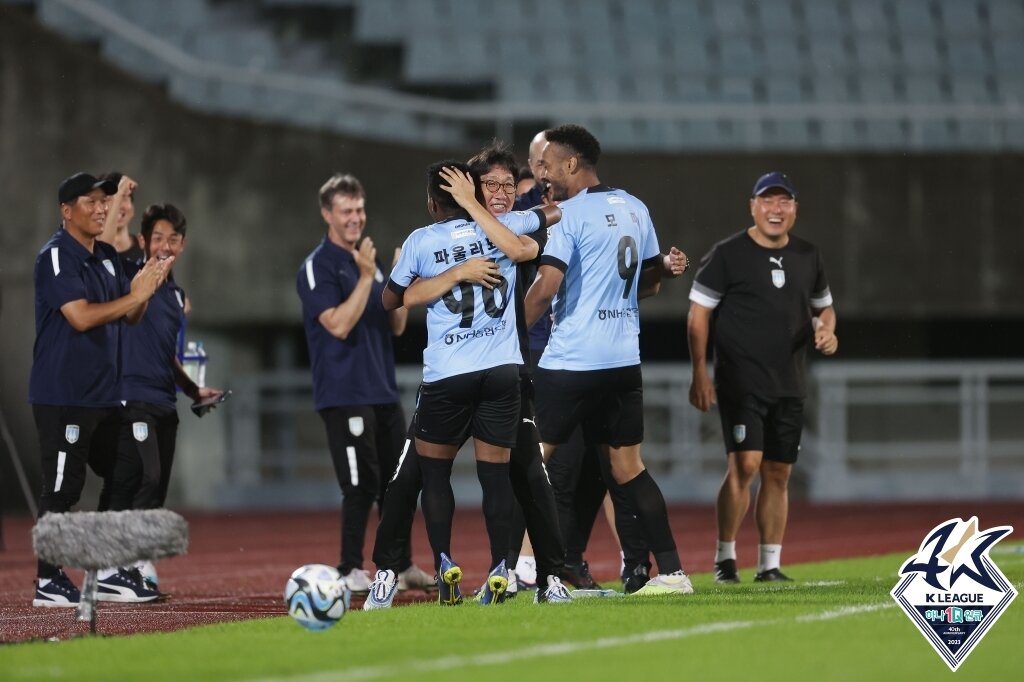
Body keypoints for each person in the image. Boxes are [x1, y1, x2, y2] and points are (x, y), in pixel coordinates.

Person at [365, 142, 571, 609]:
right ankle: (415, 569)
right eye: (489, 185)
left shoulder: (434, 238)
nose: (500, 192)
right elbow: (544, 222)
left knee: (510, 476)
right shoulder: (509, 225)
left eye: (507, 185)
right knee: (421, 478)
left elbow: (393, 299)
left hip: (457, 375)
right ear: (470, 189)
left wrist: (478, 215)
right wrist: (461, 268)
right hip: (499, 372)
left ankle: (519, 573)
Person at [524, 124, 693, 596]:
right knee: (629, 468)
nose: (541, 175)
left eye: (546, 165)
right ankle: (673, 573)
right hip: (622, 361)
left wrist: (508, 336)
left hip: (572, 361)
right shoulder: (636, 207)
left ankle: (518, 572)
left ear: (571, 163)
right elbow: (649, 284)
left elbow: (546, 288)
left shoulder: (568, 215)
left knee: (530, 463)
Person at [29, 172, 172, 607]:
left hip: (105, 395)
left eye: (104, 201)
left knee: (131, 468)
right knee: (63, 487)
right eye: (90, 201)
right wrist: (135, 295)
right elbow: (81, 316)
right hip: (64, 394)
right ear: (66, 210)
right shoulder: (57, 256)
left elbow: (128, 316)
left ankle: (110, 568)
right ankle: (48, 579)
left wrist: (145, 290)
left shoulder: (105, 255)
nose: (101, 208)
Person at [687, 171, 838, 583]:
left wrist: (828, 330)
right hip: (740, 380)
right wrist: (700, 371)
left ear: (795, 208)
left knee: (779, 472)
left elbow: (824, 308)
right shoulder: (727, 254)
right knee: (746, 464)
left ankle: (769, 564)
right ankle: (725, 557)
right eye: (767, 201)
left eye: (784, 201)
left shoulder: (808, 255)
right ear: (752, 207)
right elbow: (698, 315)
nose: (776, 209)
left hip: (789, 382)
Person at [296, 173, 429, 594]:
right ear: (327, 214)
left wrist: (399, 281)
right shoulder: (318, 267)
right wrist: (366, 276)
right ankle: (350, 567)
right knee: (360, 484)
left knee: (398, 483)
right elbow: (337, 324)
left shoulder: (370, 264)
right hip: (344, 394)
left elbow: (397, 325)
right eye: (346, 211)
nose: (355, 218)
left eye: (359, 209)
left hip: (381, 391)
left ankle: (400, 565)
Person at [108, 203, 224, 592]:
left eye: (173, 239)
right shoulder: (128, 278)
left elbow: (166, 354)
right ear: (143, 241)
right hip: (132, 396)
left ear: (183, 245)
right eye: (157, 238)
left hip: (164, 400)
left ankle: (133, 564)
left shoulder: (176, 296)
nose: (165, 246)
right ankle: (123, 563)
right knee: (145, 476)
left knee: (155, 488)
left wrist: (193, 389)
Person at [98, 172, 145, 261]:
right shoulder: (88, 249)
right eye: (109, 199)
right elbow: (104, 254)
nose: (117, 206)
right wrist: (119, 194)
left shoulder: (145, 248)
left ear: (132, 208)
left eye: (124, 197)